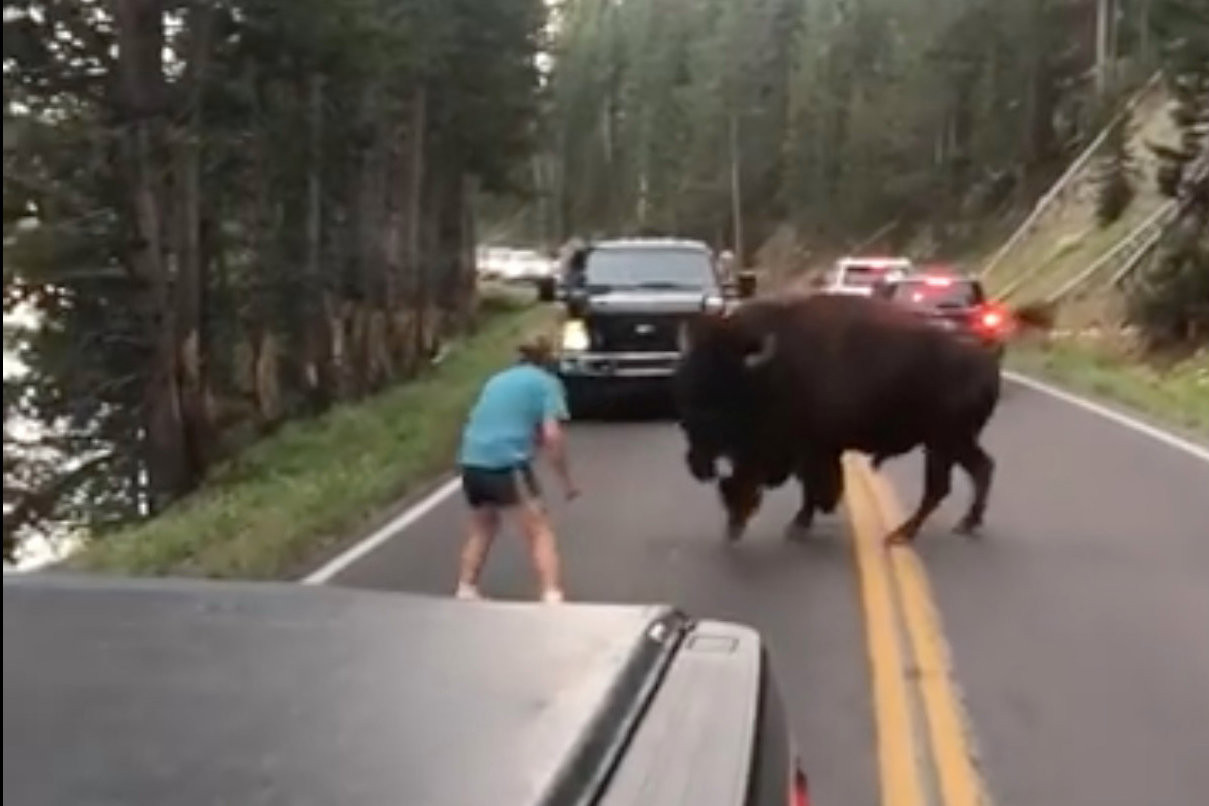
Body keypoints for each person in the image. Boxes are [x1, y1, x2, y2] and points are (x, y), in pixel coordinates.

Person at [453, 335, 579, 603]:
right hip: (507, 463)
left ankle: (466, 588)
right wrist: (566, 481)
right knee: (539, 529)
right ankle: (552, 595)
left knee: (483, 525)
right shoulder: (547, 384)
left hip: (472, 459)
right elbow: (552, 435)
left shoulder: (497, 379)